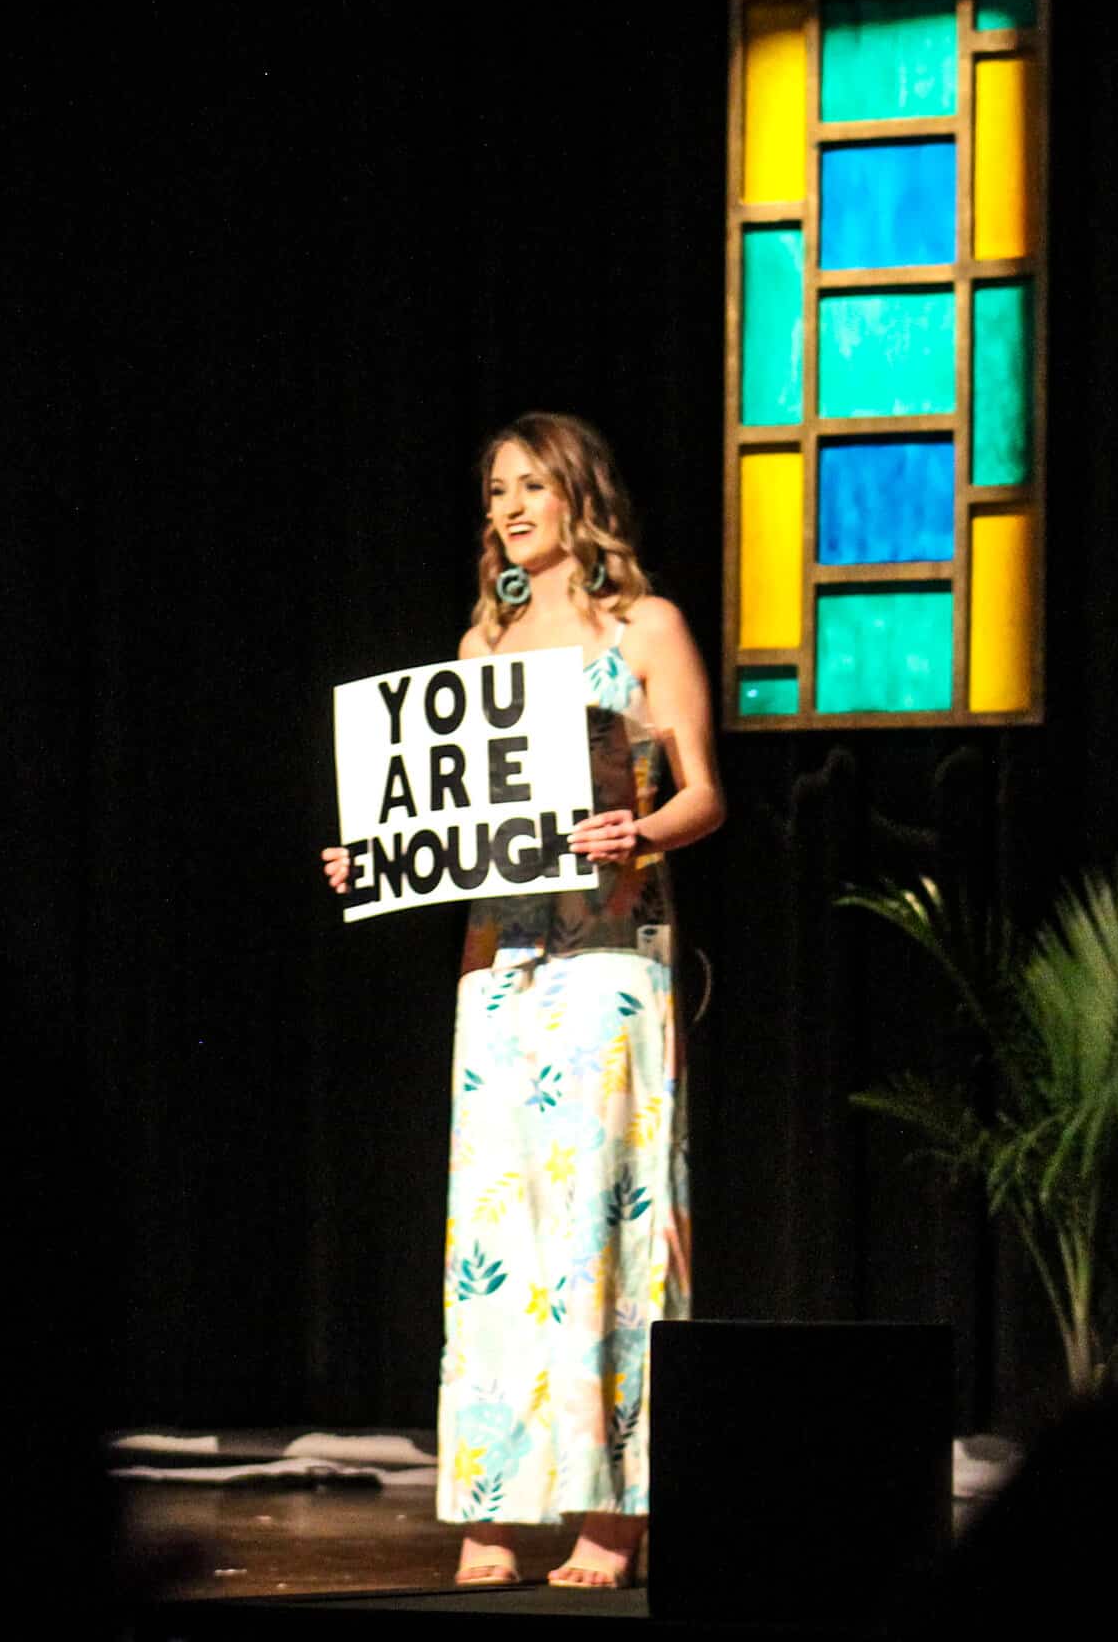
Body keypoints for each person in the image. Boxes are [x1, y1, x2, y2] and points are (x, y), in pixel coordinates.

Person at [323, 412, 724, 1589]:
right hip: (497, 969)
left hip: (607, 957)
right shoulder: (478, 646)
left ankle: (615, 1508)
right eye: (495, 488)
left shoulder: (642, 627)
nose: (508, 506)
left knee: (604, 1214)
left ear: (580, 498)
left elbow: (704, 792)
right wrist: (377, 852)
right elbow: (444, 818)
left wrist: (636, 830)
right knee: (498, 1237)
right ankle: (492, 1505)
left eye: (532, 485)